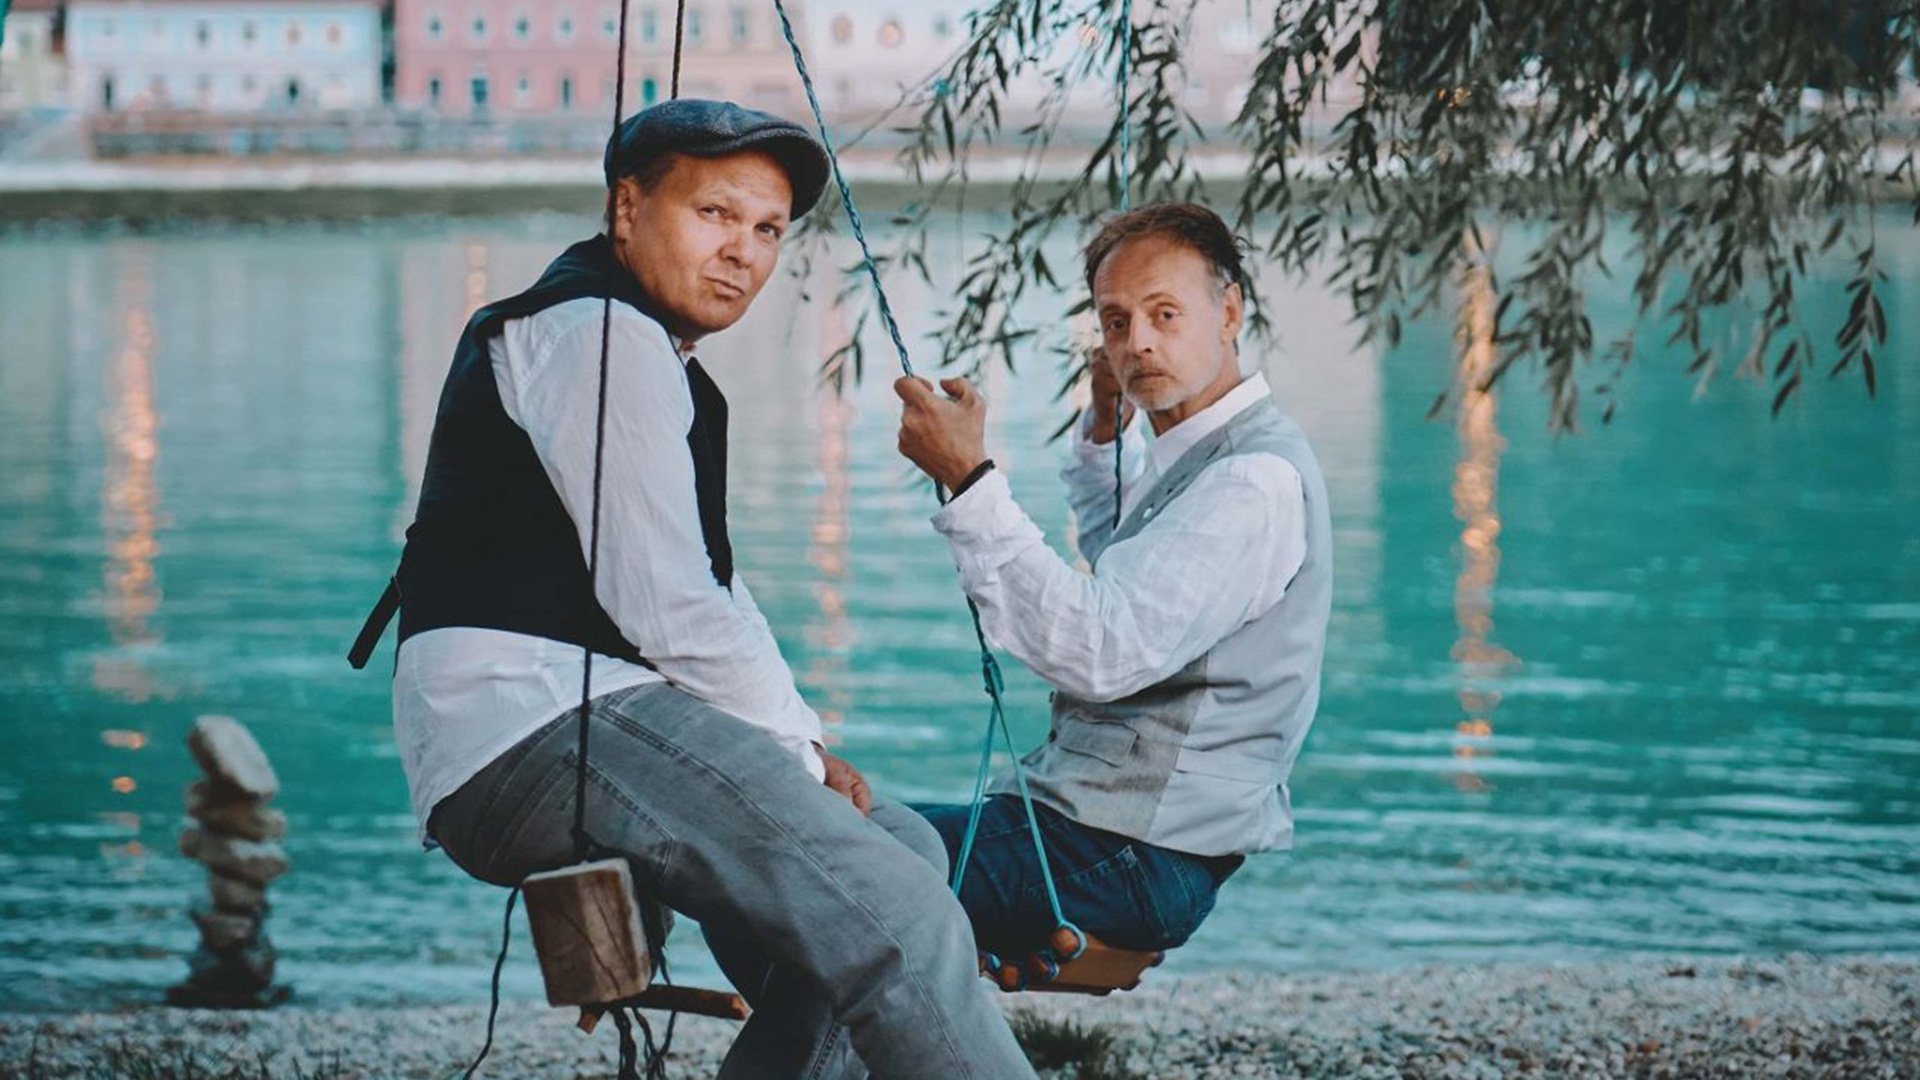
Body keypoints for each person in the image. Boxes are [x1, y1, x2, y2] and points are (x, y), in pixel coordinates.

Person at [375, 99, 1034, 1079]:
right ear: (627, 209)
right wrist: (798, 762)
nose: (745, 253)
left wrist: (801, 746)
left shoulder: (642, 348)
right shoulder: (601, 336)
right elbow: (669, 606)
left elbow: (708, 591)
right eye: (715, 214)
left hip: (557, 720)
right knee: (900, 921)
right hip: (533, 723)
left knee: (899, 855)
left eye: (768, 230)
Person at [894, 202, 1332, 964]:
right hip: (1104, 834)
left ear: (1229, 311)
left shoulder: (1251, 482)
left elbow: (1101, 650)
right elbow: (1140, 566)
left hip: (1129, 853)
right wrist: (1105, 432)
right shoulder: (1201, 459)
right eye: (1117, 320)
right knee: (831, 863)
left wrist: (969, 480)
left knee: (827, 872)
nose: (1139, 342)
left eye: (1166, 313)